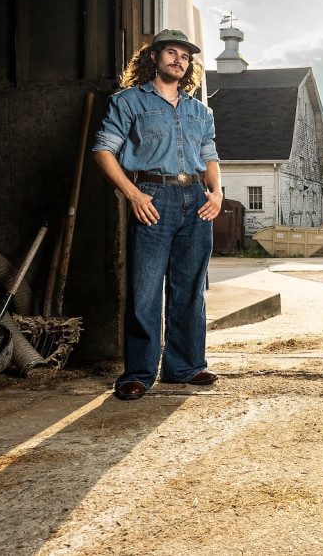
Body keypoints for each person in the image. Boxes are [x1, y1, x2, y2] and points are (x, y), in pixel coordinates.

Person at [92, 29, 223, 400]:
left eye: (185, 55)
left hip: (197, 199)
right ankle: (138, 372)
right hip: (153, 196)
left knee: (190, 288)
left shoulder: (200, 110)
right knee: (145, 291)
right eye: (171, 52)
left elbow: (210, 156)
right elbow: (103, 151)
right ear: (154, 57)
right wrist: (133, 194)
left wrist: (216, 192)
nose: (178, 59)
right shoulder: (128, 101)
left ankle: (185, 367)